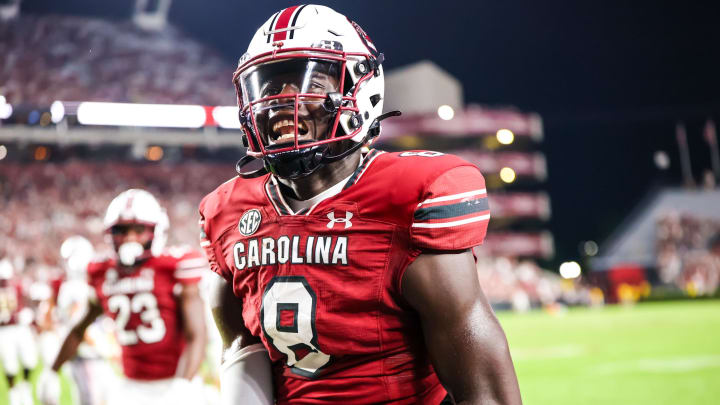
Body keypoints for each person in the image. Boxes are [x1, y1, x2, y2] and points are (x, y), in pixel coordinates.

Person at [200, 5, 522, 404]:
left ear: (360, 89)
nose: (283, 99)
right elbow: (240, 351)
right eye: (268, 87)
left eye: (308, 81)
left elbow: (483, 390)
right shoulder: (227, 213)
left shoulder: (409, 195)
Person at [38, 189, 209, 405]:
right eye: (121, 230)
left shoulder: (173, 267)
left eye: (139, 230)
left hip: (176, 381)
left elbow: (197, 333)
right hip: (131, 386)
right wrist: (52, 371)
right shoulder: (102, 273)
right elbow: (78, 329)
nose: (130, 238)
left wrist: (183, 384)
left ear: (156, 231)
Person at [0, 258, 39, 405]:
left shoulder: (18, 286)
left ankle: (25, 387)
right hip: (4, 331)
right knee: (10, 365)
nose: (4, 282)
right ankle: (13, 393)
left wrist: (28, 314)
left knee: (30, 360)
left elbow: (30, 301)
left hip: (20, 328)